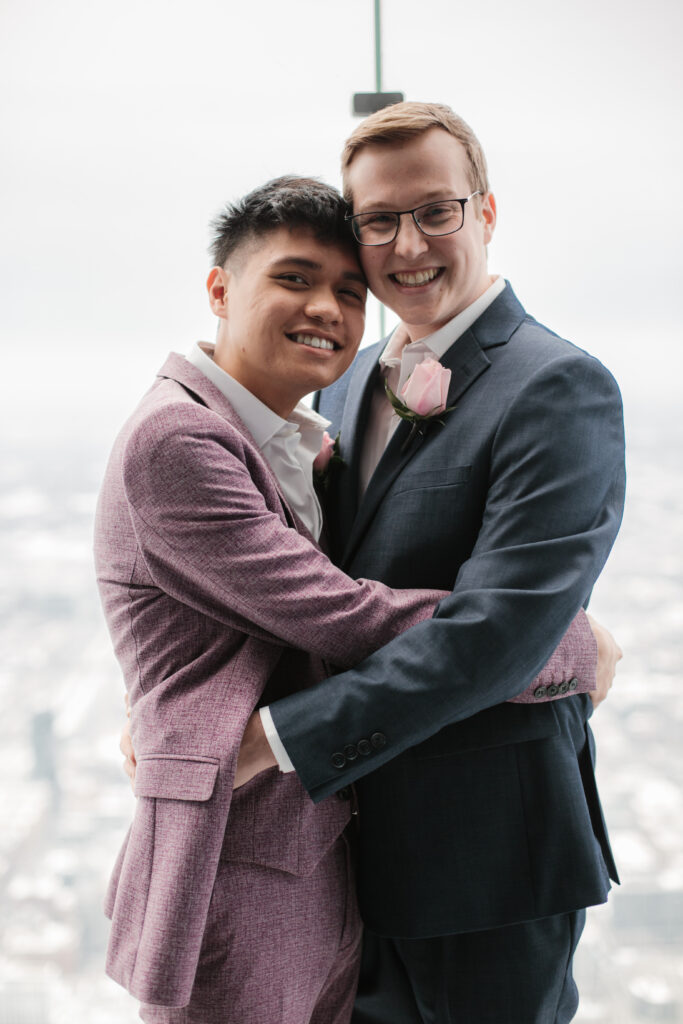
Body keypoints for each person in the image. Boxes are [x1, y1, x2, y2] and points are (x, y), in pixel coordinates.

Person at [100, 176, 610, 1024]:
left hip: (342, 855)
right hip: (243, 859)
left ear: (484, 214)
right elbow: (343, 615)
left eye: (347, 290)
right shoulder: (179, 438)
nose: (328, 311)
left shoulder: (298, 420)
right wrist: (561, 642)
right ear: (221, 289)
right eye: (294, 279)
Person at [235, 103, 627, 1024]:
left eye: (434, 211)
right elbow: (295, 572)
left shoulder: (557, 385)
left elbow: (499, 633)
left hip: (487, 860)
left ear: (485, 213)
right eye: (378, 221)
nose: (407, 244)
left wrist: (279, 737)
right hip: (338, 858)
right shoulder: (340, 372)